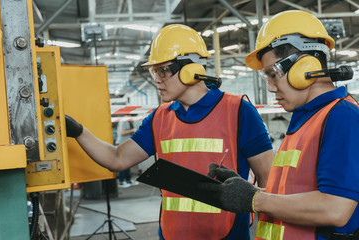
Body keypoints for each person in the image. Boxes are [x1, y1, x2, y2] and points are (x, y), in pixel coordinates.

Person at [65, 24, 274, 240]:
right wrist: (79, 131)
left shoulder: (239, 111)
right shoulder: (158, 118)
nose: (156, 79)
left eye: (162, 70)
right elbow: (117, 158)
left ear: (190, 70)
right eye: (154, 71)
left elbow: (269, 179)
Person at [202, 10, 359, 240]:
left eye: (272, 74)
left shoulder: (341, 116)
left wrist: (256, 200)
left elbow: (335, 208)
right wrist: (247, 191)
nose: (270, 88)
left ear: (305, 67)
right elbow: (294, 195)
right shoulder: (307, 119)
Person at [115, 119, 138, 188]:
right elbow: (122, 132)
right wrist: (132, 130)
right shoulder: (124, 120)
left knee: (128, 163)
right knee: (123, 163)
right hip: (122, 144)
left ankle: (128, 180)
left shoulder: (129, 120)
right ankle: (121, 181)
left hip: (127, 144)